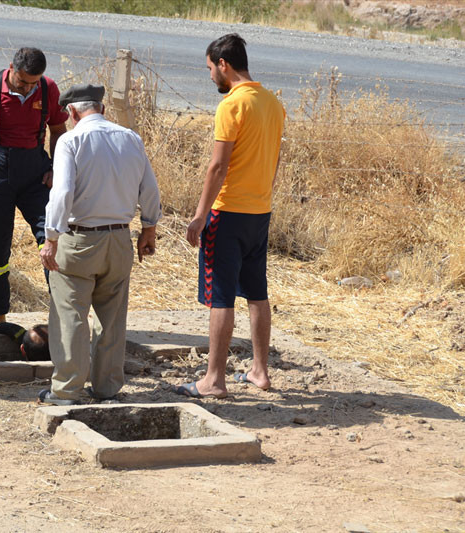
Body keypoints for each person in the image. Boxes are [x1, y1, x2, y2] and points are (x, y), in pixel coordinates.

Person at [38, 83, 162, 406]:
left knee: (70, 314)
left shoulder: (70, 140)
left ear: (72, 113)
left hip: (79, 240)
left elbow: (62, 192)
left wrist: (51, 237)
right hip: (120, 239)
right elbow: (149, 188)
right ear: (102, 109)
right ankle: (106, 388)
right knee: (112, 317)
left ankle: (66, 389)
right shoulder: (130, 138)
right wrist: (149, 228)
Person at [177, 34, 285, 399]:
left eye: (210, 68)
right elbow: (275, 159)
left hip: (227, 213)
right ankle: (259, 370)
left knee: (220, 297)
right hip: (259, 211)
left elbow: (217, 166)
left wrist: (199, 215)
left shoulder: (232, 106)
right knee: (257, 292)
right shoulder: (272, 102)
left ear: (223, 64)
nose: (210, 76)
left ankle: (214, 380)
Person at [0, 47, 69, 328]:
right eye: (22, 82)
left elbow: (57, 130)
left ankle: (63, 318)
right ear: (11, 69)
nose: (28, 87)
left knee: (55, 238)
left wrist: (56, 167)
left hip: (35, 174)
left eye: (34, 82)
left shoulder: (48, 88)